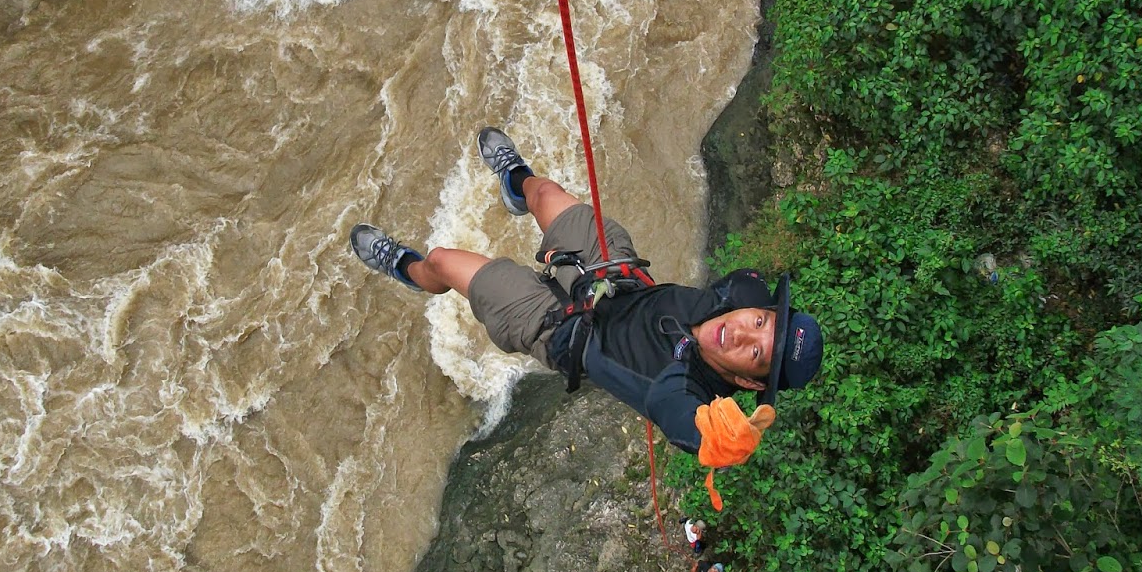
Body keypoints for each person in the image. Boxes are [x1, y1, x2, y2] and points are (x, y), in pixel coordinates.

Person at [350, 128, 823, 470]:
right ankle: (516, 183)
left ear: (746, 380)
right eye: (760, 322)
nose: (741, 333)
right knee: (545, 193)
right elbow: (748, 285)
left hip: (558, 327)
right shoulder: (739, 299)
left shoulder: (682, 390)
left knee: (444, 260)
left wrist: (711, 441)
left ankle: (410, 270)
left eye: (756, 353)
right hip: (614, 275)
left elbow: (678, 417)